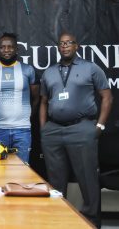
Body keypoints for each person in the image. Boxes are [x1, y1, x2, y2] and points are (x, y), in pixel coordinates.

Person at [40, 32, 112, 227]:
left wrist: (99, 125)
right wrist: (44, 129)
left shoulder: (91, 68)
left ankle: (91, 223)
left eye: (69, 43)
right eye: (61, 44)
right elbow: (44, 102)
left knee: (88, 179)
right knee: (55, 181)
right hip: (53, 131)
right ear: (58, 47)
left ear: (76, 46)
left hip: (82, 128)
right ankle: (57, 219)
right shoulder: (49, 71)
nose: (65, 46)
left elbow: (107, 96)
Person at [0, 32, 39, 163]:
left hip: (22, 130)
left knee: (22, 172)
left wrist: (27, 117)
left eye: (10, 47)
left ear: (16, 49)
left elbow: (36, 98)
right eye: (3, 47)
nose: (6, 50)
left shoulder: (28, 70)